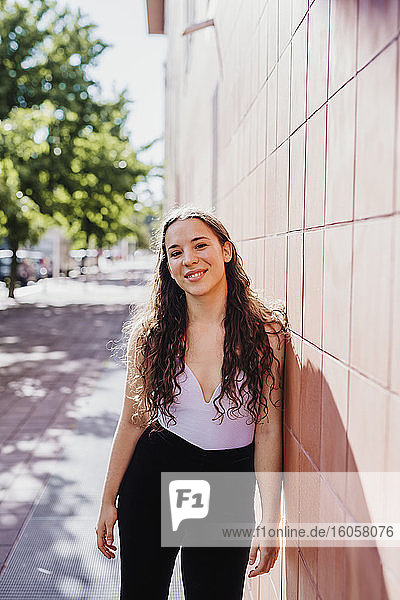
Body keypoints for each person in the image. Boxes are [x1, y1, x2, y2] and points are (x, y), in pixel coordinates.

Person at [95, 206, 287, 599]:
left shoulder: (264, 334)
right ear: (167, 265)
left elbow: (267, 429)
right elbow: (131, 421)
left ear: (226, 251)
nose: (189, 260)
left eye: (200, 245)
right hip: (154, 476)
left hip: (224, 483)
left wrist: (271, 518)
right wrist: (107, 501)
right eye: (175, 252)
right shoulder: (152, 335)